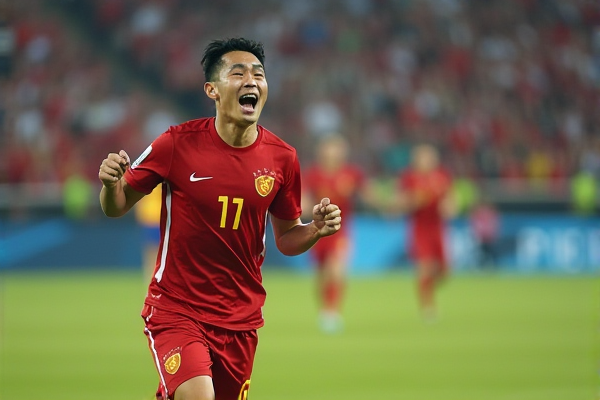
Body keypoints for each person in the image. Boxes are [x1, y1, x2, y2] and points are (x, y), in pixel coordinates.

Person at [98, 38, 342, 400]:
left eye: (258, 74)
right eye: (238, 73)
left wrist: (315, 230)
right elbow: (116, 205)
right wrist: (110, 185)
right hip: (177, 308)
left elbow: (287, 238)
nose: (251, 81)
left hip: (240, 319)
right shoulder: (175, 143)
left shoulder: (283, 159)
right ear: (212, 90)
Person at [302, 134, 367, 333]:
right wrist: (306, 208)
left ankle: (333, 311)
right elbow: (304, 200)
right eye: (330, 148)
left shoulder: (352, 173)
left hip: (341, 231)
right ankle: (324, 309)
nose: (333, 153)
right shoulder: (313, 174)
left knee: (337, 269)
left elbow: (367, 194)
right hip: (318, 231)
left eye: (337, 149)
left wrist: (387, 206)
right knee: (321, 274)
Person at [395, 143, 454, 321]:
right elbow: (399, 202)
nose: (427, 161)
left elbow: (450, 198)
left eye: (430, 157)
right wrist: (412, 201)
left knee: (444, 272)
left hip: (438, 228)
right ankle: (428, 307)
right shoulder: (409, 178)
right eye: (423, 157)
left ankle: (428, 288)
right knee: (425, 267)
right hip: (419, 228)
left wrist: (450, 207)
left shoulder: (442, 176)